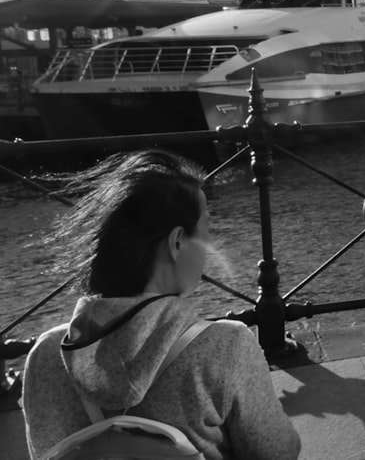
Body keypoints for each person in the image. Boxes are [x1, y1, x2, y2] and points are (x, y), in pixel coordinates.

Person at [22, 149, 301, 460]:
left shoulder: (46, 353)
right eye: (205, 231)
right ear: (177, 242)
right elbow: (278, 453)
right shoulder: (225, 346)